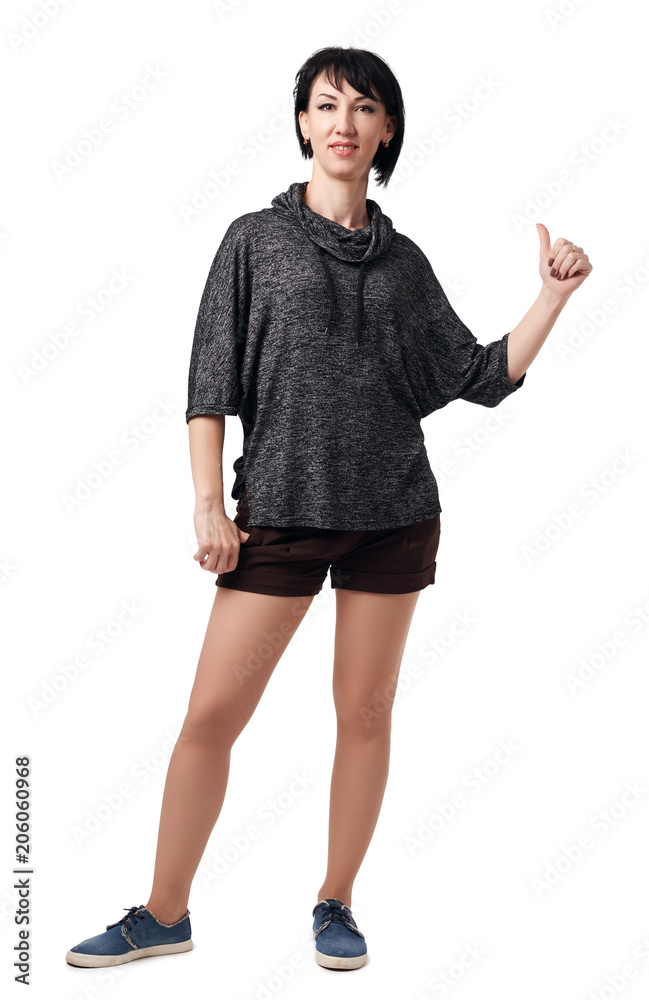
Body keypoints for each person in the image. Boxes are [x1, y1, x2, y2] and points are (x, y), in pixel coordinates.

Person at [65, 45, 592, 973]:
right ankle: (163, 913)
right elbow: (208, 384)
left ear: (386, 130)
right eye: (325, 104)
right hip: (278, 511)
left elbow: (478, 376)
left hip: (392, 514)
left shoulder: (404, 263)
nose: (343, 121)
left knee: (364, 713)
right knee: (209, 718)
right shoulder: (253, 241)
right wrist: (205, 506)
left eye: (364, 107)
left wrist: (548, 297)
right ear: (303, 123)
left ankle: (334, 903)